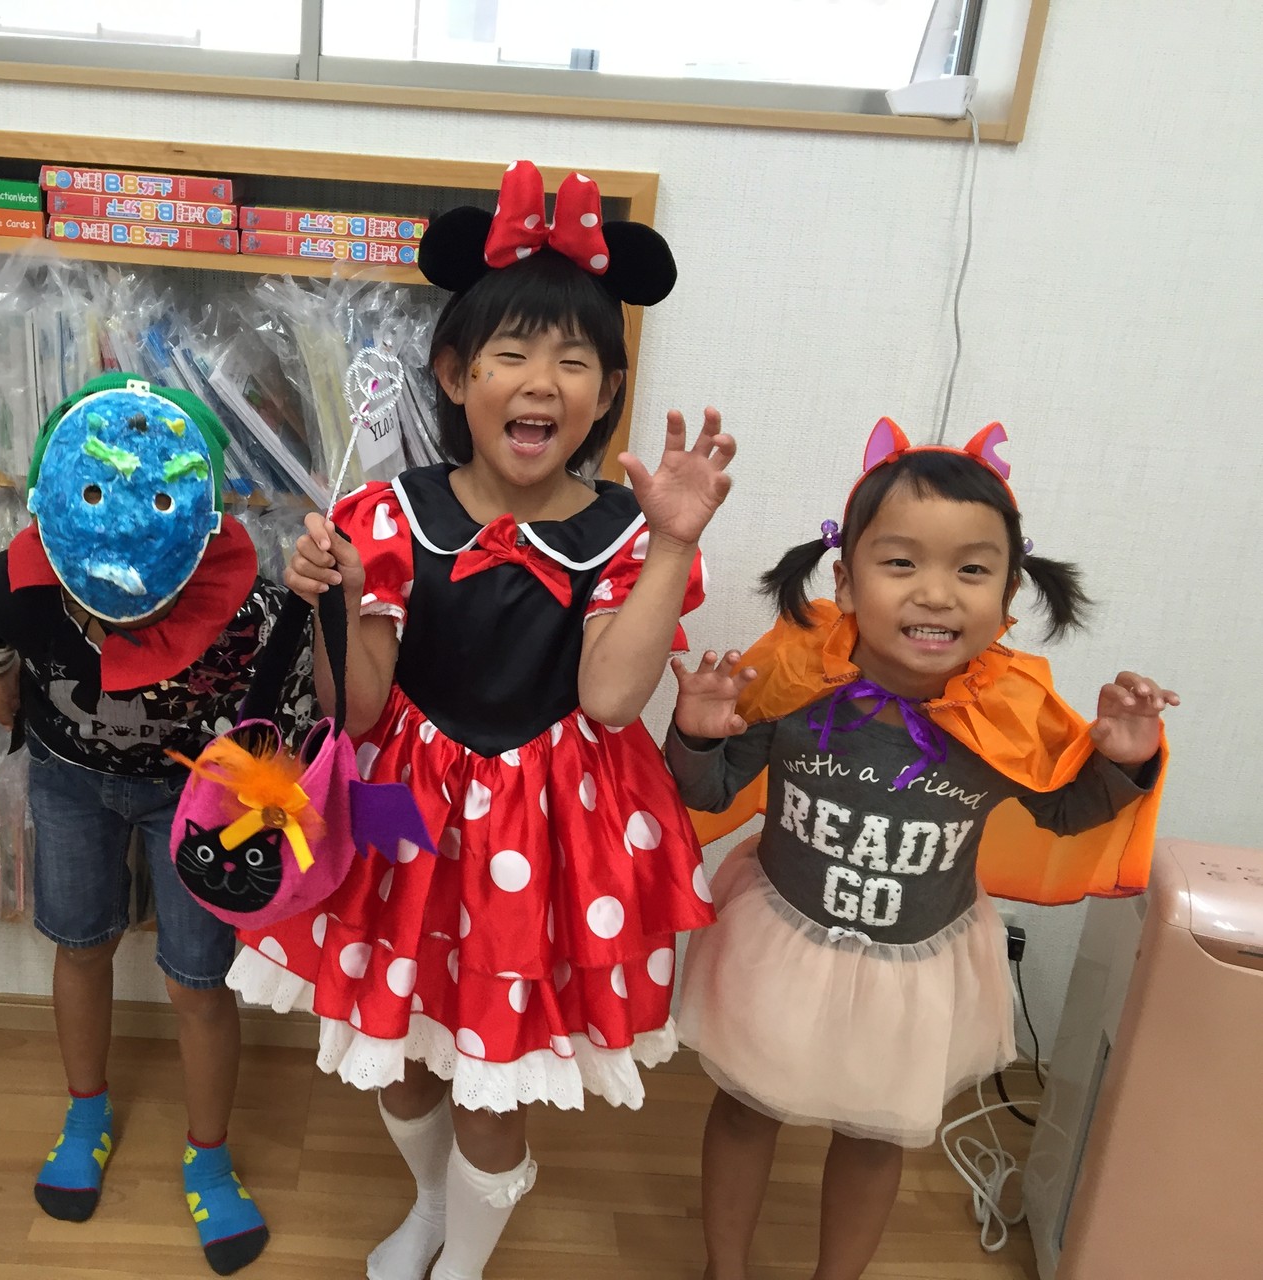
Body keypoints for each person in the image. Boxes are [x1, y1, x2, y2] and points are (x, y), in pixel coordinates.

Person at [226, 160, 729, 1280]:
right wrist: (335, 596)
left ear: (606, 390)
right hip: (406, 828)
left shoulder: (622, 533)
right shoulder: (390, 513)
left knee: (490, 1086)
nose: (540, 380)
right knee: (401, 1060)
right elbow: (356, 708)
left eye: (573, 360)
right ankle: (429, 1205)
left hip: (545, 839)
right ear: (456, 374)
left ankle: (464, 1257)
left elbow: (610, 698)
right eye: (511, 353)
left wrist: (673, 544)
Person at [667, 418, 1175, 1280]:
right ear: (845, 578)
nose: (936, 594)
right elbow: (707, 792)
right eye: (901, 563)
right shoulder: (793, 678)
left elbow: (1065, 814)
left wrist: (1123, 762)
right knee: (747, 1110)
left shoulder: (1005, 712)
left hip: (915, 970)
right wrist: (697, 734)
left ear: (1009, 597)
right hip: (779, 945)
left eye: (971, 570)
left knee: (875, 1136)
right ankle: (725, 1267)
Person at [0, 374, 312, 1274]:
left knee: (199, 981)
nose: (130, 608)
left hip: (193, 802)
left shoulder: (246, 605)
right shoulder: (24, 576)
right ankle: (86, 1112)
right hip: (68, 781)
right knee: (80, 945)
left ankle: (210, 1154)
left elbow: (286, 720)